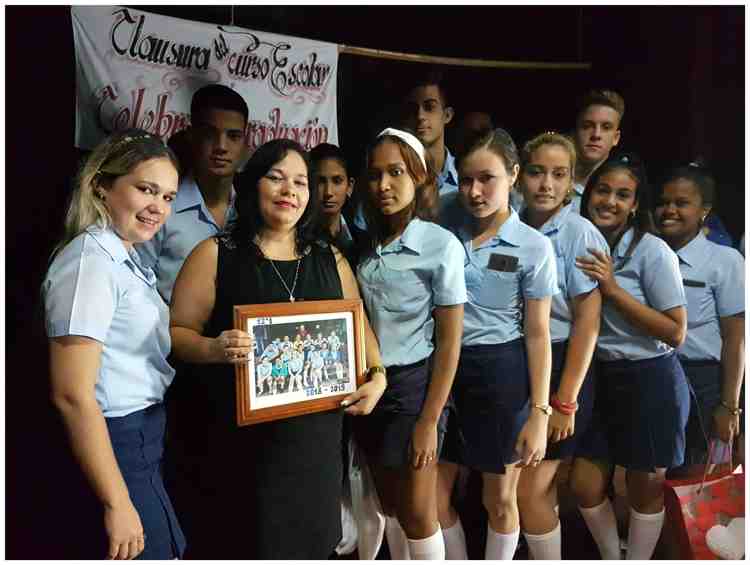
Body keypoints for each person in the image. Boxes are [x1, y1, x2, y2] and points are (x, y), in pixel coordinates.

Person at [167, 138, 386, 559]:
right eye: (277, 178)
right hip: (238, 451)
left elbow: (359, 329)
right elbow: (176, 332)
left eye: (301, 182)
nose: (291, 191)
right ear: (252, 185)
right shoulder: (214, 254)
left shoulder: (331, 258)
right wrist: (213, 348)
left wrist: (377, 377)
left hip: (315, 449)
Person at [42, 129, 185, 559]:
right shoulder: (90, 262)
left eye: (169, 197)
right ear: (102, 186)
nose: (158, 207)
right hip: (117, 438)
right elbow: (71, 395)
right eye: (146, 189)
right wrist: (117, 502)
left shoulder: (123, 255)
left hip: (142, 433)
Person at [437, 128, 557, 561]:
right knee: (432, 500)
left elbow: (539, 332)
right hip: (443, 372)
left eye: (486, 178)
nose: (474, 190)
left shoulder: (533, 246)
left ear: (513, 175)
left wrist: (541, 413)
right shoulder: (445, 230)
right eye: (466, 179)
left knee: (499, 501)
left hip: (500, 375)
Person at [569, 153, 689, 560]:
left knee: (644, 488)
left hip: (649, 378)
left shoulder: (652, 250)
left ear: (636, 205)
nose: (610, 201)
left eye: (623, 195)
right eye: (603, 190)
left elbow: (676, 332)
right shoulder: (578, 241)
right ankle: (611, 555)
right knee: (584, 485)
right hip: (599, 377)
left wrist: (613, 289)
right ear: (588, 194)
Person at [355, 128, 466, 560]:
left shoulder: (440, 245)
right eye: (375, 174)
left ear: (419, 177)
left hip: (416, 387)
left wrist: (428, 421)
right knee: (390, 506)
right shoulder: (366, 244)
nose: (384, 185)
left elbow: (450, 342)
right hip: (370, 384)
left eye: (396, 172)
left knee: (420, 513)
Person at [510, 132, 607, 560]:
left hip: (563, 364)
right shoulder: (508, 221)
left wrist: (565, 399)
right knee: (512, 490)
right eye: (536, 172)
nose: (546, 184)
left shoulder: (579, 232)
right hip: (518, 362)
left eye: (558, 174)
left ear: (571, 183)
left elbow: (588, 321)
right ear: (518, 177)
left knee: (531, 493)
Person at [653, 162, 745, 476]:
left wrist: (729, 405)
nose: (669, 210)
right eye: (664, 202)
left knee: (699, 481)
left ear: (704, 210)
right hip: (652, 374)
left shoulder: (725, 260)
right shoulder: (646, 256)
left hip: (703, 382)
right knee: (651, 477)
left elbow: (737, 338)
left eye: (681, 203)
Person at [136, 84, 249, 303]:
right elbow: (134, 289)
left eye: (233, 136)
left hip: (238, 334)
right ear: (192, 136)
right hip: (166, 335)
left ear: (245, 143)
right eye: (210, 134)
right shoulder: (159, 209)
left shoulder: (253, 210)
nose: (221, 146)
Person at [309, 142, 364, 264]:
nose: (328, 192)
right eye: (320, 181)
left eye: (337, 181)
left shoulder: (362, 239)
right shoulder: (298, 239)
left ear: (349, 186)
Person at [570, 89, 625, 213]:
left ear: (616, 138)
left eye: (606, 127)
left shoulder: (624, 193)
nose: (596, 135)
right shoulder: (549, 186)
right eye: (587, 126)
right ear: (574, 133)